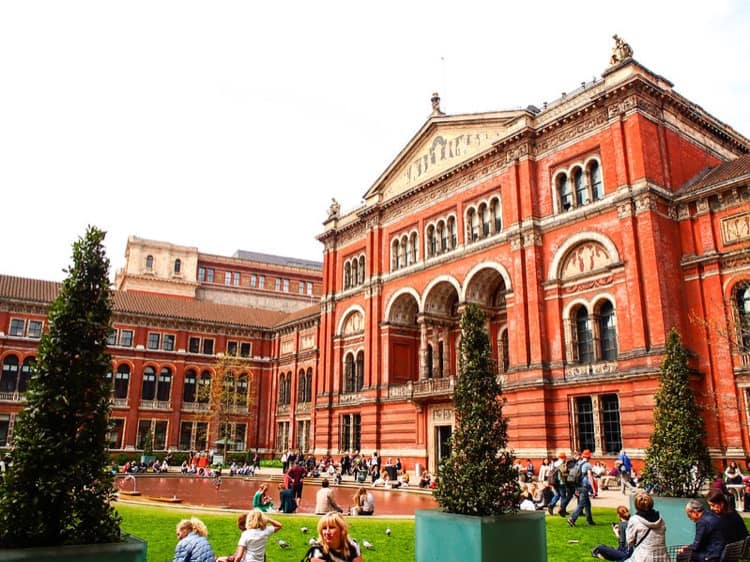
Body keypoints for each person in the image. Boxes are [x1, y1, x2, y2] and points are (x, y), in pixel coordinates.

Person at [216, 509, 282, 562]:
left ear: (248, 520)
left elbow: (239, 556)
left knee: (225, 559)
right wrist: (268, 519)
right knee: (226, 558)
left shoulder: (246, 534)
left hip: (248, 560)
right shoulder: (265, 531)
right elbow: (279, 525)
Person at [624, 492, 668, 561]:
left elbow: (630, 541)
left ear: (636, 505)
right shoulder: (660, 518)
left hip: (643, 557)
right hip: (663, 557)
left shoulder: (634, 520)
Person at [567, 449, 595, 527]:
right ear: (589, 456)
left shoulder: (578, 463)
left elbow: (576, 476)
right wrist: (594, 489)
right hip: (584, 487)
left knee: (587, 504)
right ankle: (572, 518)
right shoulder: (587, 465)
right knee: (581, 504)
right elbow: (590, 477)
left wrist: (576, 488)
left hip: (578, 486)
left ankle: (590, 520)